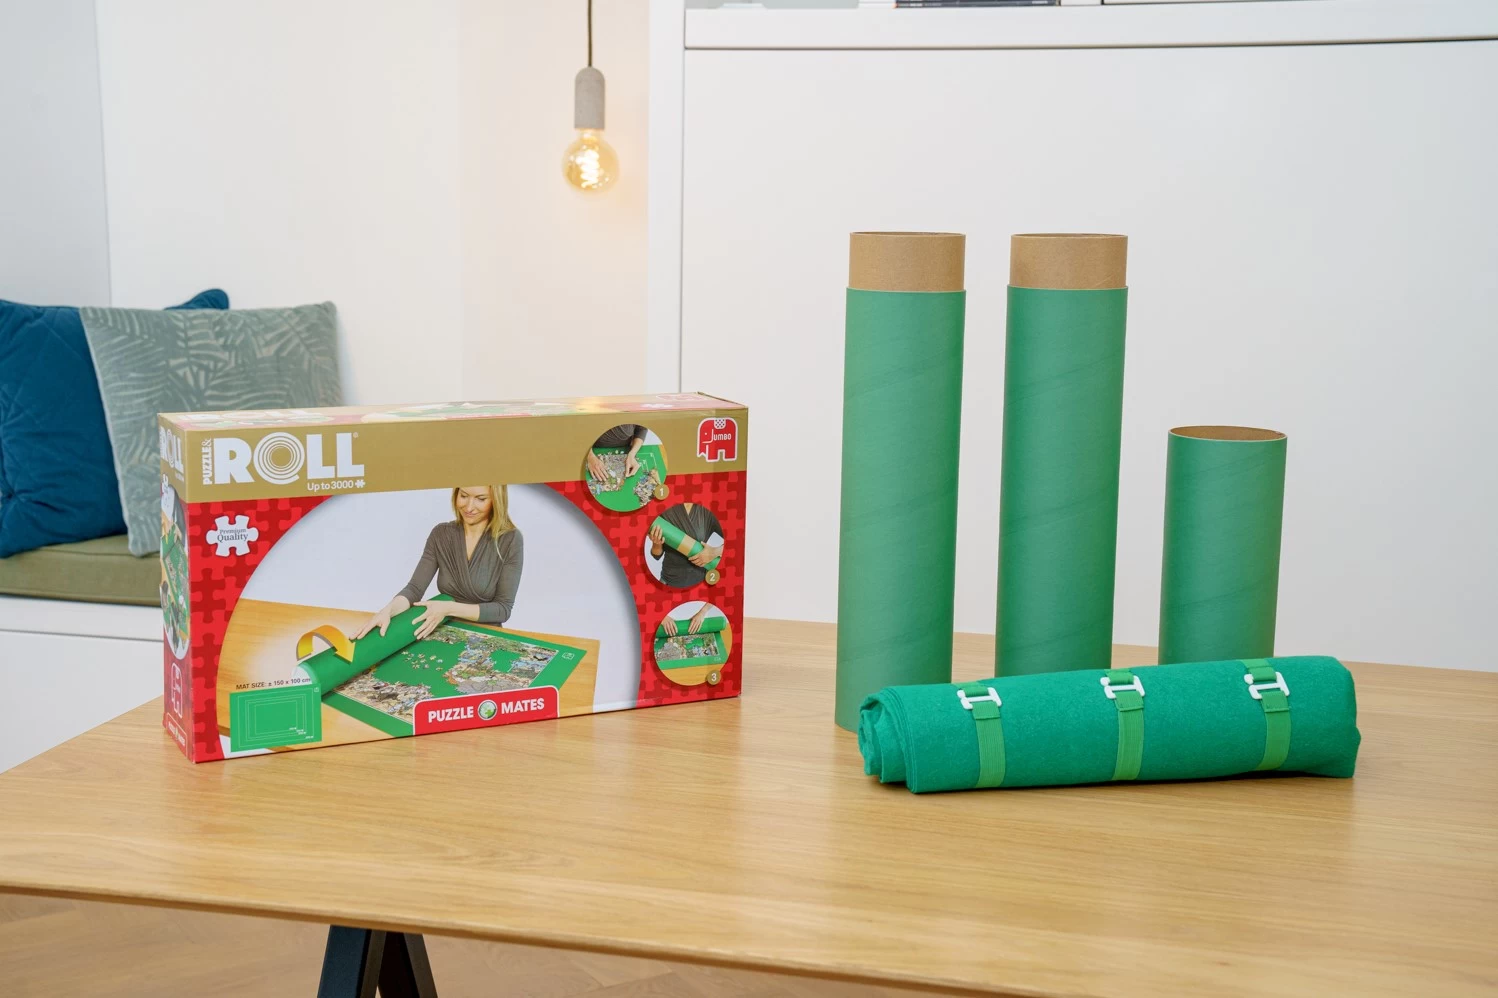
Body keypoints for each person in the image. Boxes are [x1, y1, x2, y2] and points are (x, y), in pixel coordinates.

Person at [356, 486, 523, 641]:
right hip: (442, 630)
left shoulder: (510, 539)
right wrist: (388, 610)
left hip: (485, 636)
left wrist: (448, 608)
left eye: (480, 499)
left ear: (496, 500)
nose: (469, 507)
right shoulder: (441, 534)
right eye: (463, 496)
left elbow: (502, 609)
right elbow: (414, 589)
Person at [649, 502, 724, 588]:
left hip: (700, 581)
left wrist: (714, 552)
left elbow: (735, 541)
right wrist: (656, 543)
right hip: (669, 581)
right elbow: (656, 556)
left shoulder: (707, 511)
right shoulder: (664, 510)